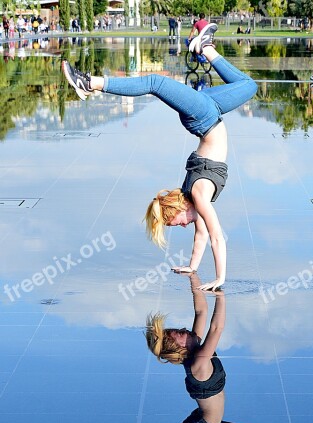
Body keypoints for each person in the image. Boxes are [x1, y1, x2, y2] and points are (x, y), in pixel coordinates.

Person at [62, 24, 257, 292]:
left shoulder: (198, 194)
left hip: (204, 117)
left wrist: (220, 277)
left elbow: (216, 237)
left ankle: (90, 82)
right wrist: (193, 267)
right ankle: (205, 47)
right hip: (210, 112)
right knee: (248, 85)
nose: (179, 226)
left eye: (172, 223)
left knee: (155, 82)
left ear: (175, 210)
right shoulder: (196, 198)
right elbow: (203, 234)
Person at [69, 276, 252, 423]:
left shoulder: (198, 350)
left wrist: (193, 276)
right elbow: (217, 326)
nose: (184, 330)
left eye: (179, 329)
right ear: (179, 347)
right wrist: (221, 295)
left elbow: (202, 312)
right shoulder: (199, 364)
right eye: (181, 334)